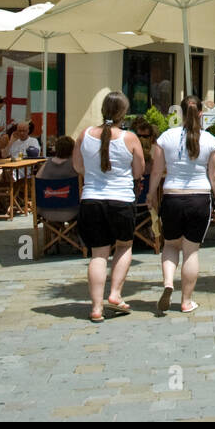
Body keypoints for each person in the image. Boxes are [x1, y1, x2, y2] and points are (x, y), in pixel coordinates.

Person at [148, 96, 215, 315]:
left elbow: (156, 171)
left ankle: (168, 283)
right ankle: (186, 300)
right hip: (199, 198)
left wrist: (151, 194)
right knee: (191, 252)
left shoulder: (166, 137)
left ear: (180, 113)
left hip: (172, 197)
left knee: (171, 246)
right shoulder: (210, 140)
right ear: (201, 113)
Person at [73, 92, 143, 322]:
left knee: (98, 255)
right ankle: (115, 294)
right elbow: (139, 171)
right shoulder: (130, 138)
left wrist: (94, 174)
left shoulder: (84, 134)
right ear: (124, 112)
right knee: (124, 247)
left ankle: (95, 307)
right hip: (121, 200)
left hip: (91, 199)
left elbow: (77, 167)